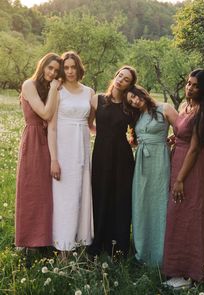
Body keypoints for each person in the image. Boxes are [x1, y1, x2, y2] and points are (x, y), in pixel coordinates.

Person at [162, 69, 204, 289]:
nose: (190, 88)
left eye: (196, 85)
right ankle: (179, 267)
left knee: (191, 214)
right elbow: (183, 133)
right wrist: (175, 137)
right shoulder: (185, 107)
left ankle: (193, 272)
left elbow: (195, 149)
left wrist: (179, 179)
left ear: (203, 89)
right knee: (178, 214)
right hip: (179, 159)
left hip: (192, 167)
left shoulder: (202, 111)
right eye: (188, 83)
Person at [124, 85, 178, 267]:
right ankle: (143, 252)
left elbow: (184, 132)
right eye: (130, 101)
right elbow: (136, 139)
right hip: (141, 165)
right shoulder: (137, 117)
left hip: (161, 162)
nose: (134, 101)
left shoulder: (165, 108)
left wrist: (173, 139)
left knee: (160, 203)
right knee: (141, 204)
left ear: (142, 93)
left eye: (135, 96)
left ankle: (161, 254)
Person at [87, 65, 137, 257]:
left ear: (129, 85)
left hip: (122, 158)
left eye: (126, 79)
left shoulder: (129, 105)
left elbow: (137, 131)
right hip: (101, 154)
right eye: (120, 75)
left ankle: (120, 246)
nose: (120, 80)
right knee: (100, 195)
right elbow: (88, 124)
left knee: (120, 199)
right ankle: (98, 241)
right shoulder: (97, 99)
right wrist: (102, 134)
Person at [48, 51, 94, 256]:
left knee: (82, 194)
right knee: (64, 197)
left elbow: (93, 122)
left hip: (82, 148)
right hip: (63, 148)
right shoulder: (57, 90)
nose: (69, 71)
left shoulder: (89, 91)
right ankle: (63, 248)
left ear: (78, 67)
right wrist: (54, 159)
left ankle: (81, 242)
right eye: (65, 68)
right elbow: (52, 127)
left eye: (72, 67)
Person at [15, 53, 62, 249]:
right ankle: (26, 240)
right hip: (33, 140)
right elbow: (44, 113)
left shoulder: (47, 89)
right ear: (42, 66)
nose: (52, 73)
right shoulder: (29, 85)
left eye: (56, 71)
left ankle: (43, 239)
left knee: (46, 192)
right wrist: (53, 90)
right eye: (49, 68)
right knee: (30, 189)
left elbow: (51, 121)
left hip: (48, 140)